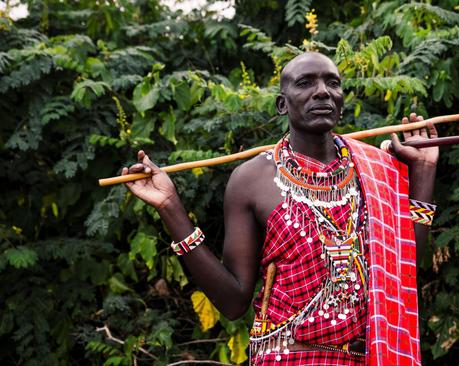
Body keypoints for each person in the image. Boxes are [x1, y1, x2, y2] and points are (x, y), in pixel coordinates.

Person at [122, 52, 438, 365]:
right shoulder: (252, 180)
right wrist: (171, 208)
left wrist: (423, 173)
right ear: (282, 104)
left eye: (332, 83)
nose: (322, 91)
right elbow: (233, 302)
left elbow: (402, 273)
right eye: (305, 83)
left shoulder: (373, 169)